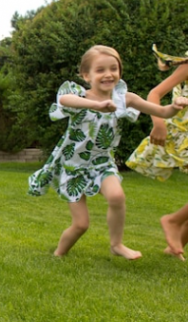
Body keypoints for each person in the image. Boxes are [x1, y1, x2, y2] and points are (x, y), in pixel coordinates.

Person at [27, 45, 188, 260]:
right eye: (100, 70)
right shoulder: (79, 95)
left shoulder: (125, 99)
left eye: (114, 68)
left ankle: (117, 244)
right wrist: (96, 105)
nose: (108, 74)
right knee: (81, 224)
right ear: (87, 75)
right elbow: (65, 101)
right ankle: (59, 254)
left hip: (101, 163)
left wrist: (176, 106)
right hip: (72, 165)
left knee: (117, 196)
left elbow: (162, 111)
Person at [126, 46, 188, 260]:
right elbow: (155, 94)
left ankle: (174, 246)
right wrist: (158, 124)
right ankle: (172, 221)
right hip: (183, 133)